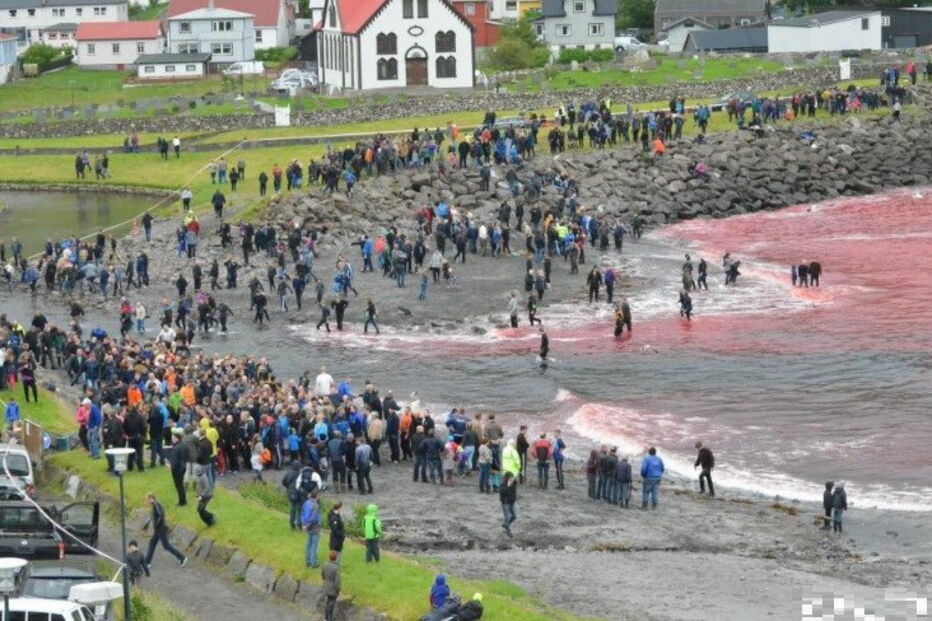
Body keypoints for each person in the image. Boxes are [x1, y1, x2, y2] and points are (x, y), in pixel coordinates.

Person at [143, 493, 187, 568]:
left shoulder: (156, 505)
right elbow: (156, 516)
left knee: (166, 546)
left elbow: (160, 515)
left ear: (151, 498)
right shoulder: (155, 505)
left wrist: (156, 524)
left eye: (147, 499)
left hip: (161, 528)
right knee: (152, 543)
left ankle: (182, 557)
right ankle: (147, 562)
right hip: (159, 529)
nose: (146, 501)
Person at [302, 489, 322, 568]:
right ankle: (313, 563)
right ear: (316, 496)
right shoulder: (315, 506)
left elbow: (303, 513)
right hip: (314, 527)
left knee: (308, 544)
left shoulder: (306, 503)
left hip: (307, 526)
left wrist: (304, 525)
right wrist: (307, 525)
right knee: (314, 545)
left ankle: (308, 561)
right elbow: (313, 519)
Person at [500, 471, 517, 536]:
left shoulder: (514, 483)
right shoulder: (503, 483)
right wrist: (508, 485)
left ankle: (506, 524)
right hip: (505, 503)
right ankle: (508, 531)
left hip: (511, 502)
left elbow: (514, 491)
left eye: (512, 478)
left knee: (514, 516)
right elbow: (502, 492)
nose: (511, 479)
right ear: (506, 478)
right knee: (507, 517)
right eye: (510, 478)